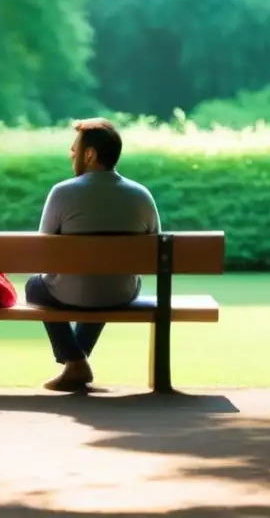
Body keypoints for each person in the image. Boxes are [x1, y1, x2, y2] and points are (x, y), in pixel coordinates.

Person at [25, 118, 161, 392]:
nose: (71, 153)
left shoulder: (62, 192)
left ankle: (75, 360)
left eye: (75, 148)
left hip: (69, 294)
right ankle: (76, 363)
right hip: (120, 294)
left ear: (90, 154)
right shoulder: (141, 195)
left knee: (34, 287)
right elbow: (156, 247)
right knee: (105, 279)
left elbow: (43, 251)